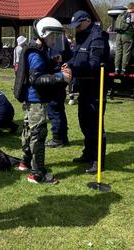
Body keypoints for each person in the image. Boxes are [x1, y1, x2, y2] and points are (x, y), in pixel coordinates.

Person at [14, 17, 72, 183]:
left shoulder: (38, 49)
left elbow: (39, 70)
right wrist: (61, 76)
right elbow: (37, 79)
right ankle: (37, 174)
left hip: (31, 99)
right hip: (35, 99)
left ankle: (25, 162)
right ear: (43, 33)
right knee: (38, 134)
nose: (55, 39)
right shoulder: (36, 53)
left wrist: (53, 63)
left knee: (28, 130)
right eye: (53, 35)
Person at [62, 10, 109, 173]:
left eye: (79, 25)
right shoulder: (81, 37)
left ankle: (98, 160)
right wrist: (67, 64)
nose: (77, 28)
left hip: (96, 88)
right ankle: (88, 153)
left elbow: (95, 64)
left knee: (95, 125)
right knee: (84, 122)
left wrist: (74, 69)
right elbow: (76, 57)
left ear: (87, 21)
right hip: (84, 87)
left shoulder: (98, 37)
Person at [45, 36, 73, 148]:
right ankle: (63, 137)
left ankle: (57, 138)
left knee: (54, 108)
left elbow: (56, 60)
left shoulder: (56, 40)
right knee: (59, 109)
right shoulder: (61, 39)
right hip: (60, 78)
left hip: (56, 79)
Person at [114, 2, 134, 74]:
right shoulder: (132, 15)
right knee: (126, 53)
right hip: (127, 35)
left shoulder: (122, 14)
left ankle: (116, 69)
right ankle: (123, 70)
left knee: (118, 52)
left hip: (118, 35)